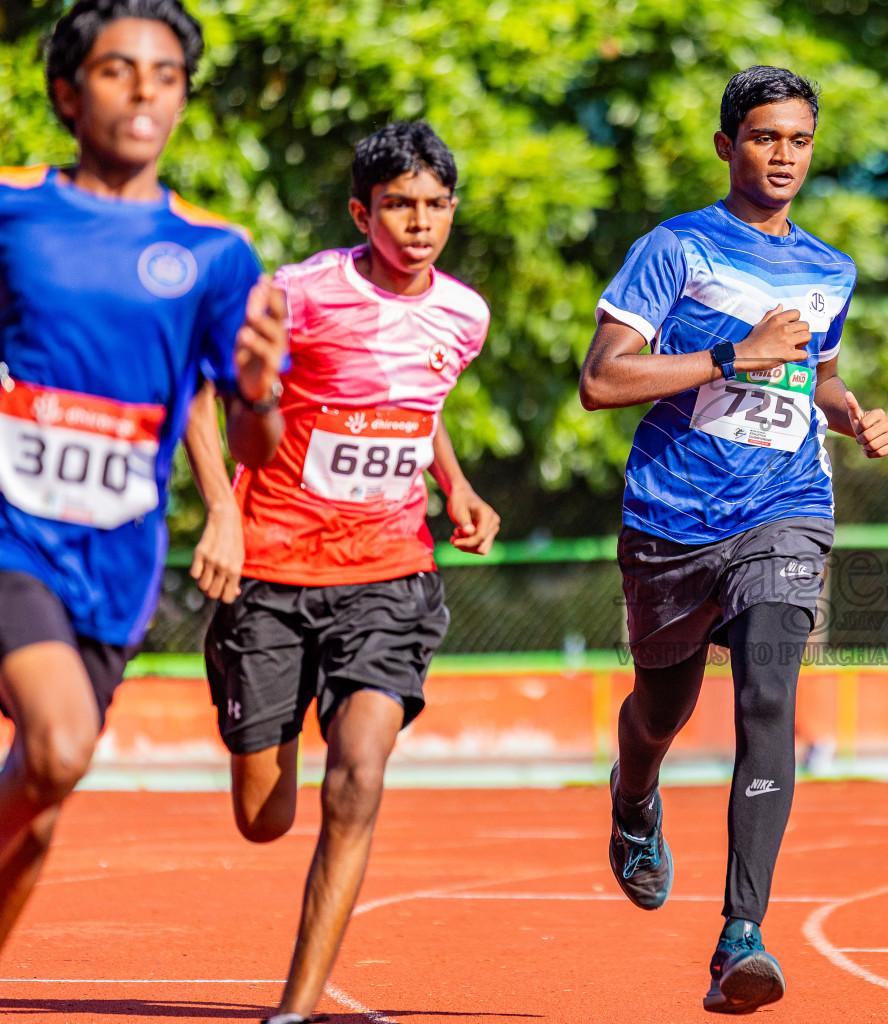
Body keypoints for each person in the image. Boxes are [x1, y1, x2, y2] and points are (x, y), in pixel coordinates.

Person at [579, 65, 888, 1013]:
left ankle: (740, 938)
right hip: (674, 517)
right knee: (662, 711)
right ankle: (633, 794)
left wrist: (852, 416)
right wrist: (730, 353)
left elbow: (816, 378)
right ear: (729, 146)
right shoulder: (675, 250)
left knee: (769, 701)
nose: (784, 156)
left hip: (786, 506)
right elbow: (602, 380)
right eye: (765, 137)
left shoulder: (831, 268)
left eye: (799, 140)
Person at [191, 120, 499, 1024]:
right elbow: (201, 394)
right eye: (398, 204)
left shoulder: (464, 313)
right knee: (264, 815)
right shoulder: (296, 296)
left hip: (390, 573)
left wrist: (456, 484)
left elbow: (417, 400)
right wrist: (221, 512)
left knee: (358, 771)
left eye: (436, 204)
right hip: (273, 575)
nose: (419, 222)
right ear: (362, 211)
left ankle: (294, 1008)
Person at [0, 0, 285, 952]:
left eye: (165, 75)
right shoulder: (13, 208)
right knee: (59, 743)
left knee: (41, 804)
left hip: (116, 562)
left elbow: (251, 443)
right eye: (120, 70)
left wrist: (254, 387)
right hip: (12, 532)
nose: (145, 91)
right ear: (67, 94)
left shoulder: (217, 253)